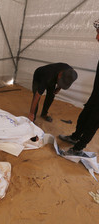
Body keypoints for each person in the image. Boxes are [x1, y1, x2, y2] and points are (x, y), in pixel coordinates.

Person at [59, 19, 99, 156]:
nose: (97, 37)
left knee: (94, 121)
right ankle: (75, 137)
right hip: (96, 93)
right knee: (84, 116)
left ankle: (78, 149)